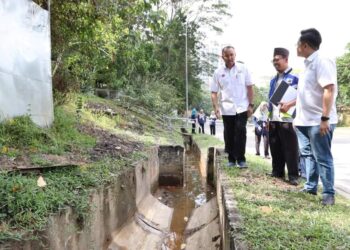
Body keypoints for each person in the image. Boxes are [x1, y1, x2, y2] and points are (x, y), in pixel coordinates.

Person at [294, 28, 338, 205]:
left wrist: (325, 118)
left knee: (323, 157)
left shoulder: (322, 61)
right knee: (309, 155)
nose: (296, 47)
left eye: (297, 44)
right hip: (304, 120)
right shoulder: (306, 65)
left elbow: (329, 88)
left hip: (318, 120)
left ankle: (329, 193)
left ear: (305, 45)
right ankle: (311, 186)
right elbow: (307, 92)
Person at [211, 46, 254, 168]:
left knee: (241, 130)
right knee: (228, 133)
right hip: (227, 108)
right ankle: (231, 158)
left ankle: (241, 159)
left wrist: (251, 105)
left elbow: (250, 87)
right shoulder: (218, 72)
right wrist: (216, 108)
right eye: (227, 55)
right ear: (222, 56)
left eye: (232, 55)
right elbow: (214, 92)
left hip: (242, 107)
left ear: (235, 55)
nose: (230, 58)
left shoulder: (243, 68)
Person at [267, 47, 299, 186]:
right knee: (275, 145)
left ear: (286, 59)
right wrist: (268, 118)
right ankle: (277, 171)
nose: (275, 62)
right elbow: (271, 100)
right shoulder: (273, 80)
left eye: (277, 60)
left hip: (288, 118)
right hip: (274, 117)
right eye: (273, 60)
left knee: (290, 147)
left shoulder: (295, 77)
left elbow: (301, 96)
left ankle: (293, 175)